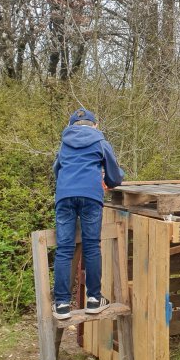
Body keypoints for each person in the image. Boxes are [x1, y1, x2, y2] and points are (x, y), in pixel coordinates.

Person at [52, 108, 124, 320]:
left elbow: (57, 170)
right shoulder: (100, 142)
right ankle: (94, 299)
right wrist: (116, 176)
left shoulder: (64, 143)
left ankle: (62, 304)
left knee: (64, 249)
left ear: (71, 126)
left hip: (64, 196)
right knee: (92, 245)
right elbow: (114, 178)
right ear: (95, 125)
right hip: (91, 196)